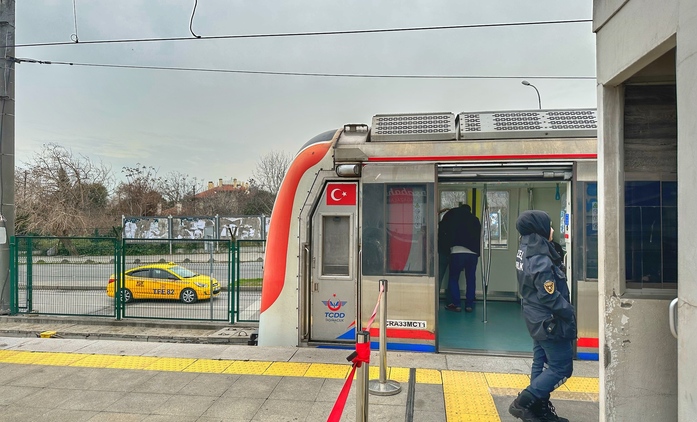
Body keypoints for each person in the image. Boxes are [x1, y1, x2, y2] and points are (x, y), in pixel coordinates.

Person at [509, 210, 576, 422]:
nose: (553, 230)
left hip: (536, 317)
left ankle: (538, 411)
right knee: (561, 368)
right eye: (550, 225)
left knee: (540, 362)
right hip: (550, 320)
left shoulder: (526, 248)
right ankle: (522, 404)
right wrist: (570, 312)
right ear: (539, 228)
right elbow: (549, 296)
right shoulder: (539, 256)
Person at [441, 203, 481, 313]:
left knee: (454, 278)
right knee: (471, 279)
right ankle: (469, 305)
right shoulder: (475, 220)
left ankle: (456, 304)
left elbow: (446, 231)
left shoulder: (454, 217)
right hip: (472, 253)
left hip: (457, 251)